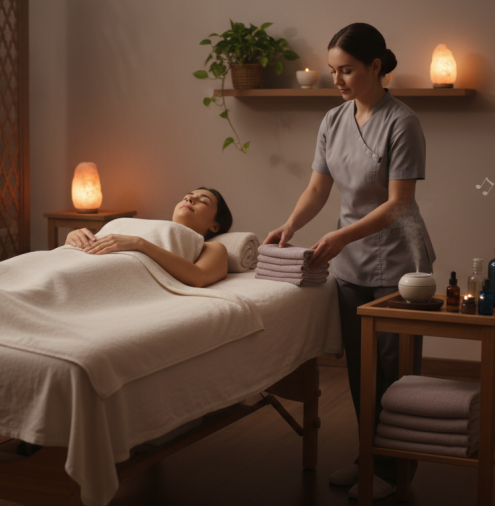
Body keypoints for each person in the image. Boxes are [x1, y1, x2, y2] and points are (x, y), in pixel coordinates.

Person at [264, 23, 436, 501]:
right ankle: (370, 457)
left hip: (401, 261)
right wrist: (291, 226)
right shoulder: (333, 120)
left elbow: (398, 203)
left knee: (395, 374)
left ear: (376, 67)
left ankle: (396, 468)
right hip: (351, 262)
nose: (337, 80)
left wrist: (339, 235)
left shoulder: (403, 122)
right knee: (361, 372)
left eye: (347, 70)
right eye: (333, 71)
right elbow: (318, 187)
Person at [65, 187, 233, 288]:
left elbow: (199, 278)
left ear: (215, 225)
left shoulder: (212, 247)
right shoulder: (146, 225)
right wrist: (74, 239)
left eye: (203, 201)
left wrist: (139, 244)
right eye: (187, 196)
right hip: (74, 260)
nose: (189, 198)